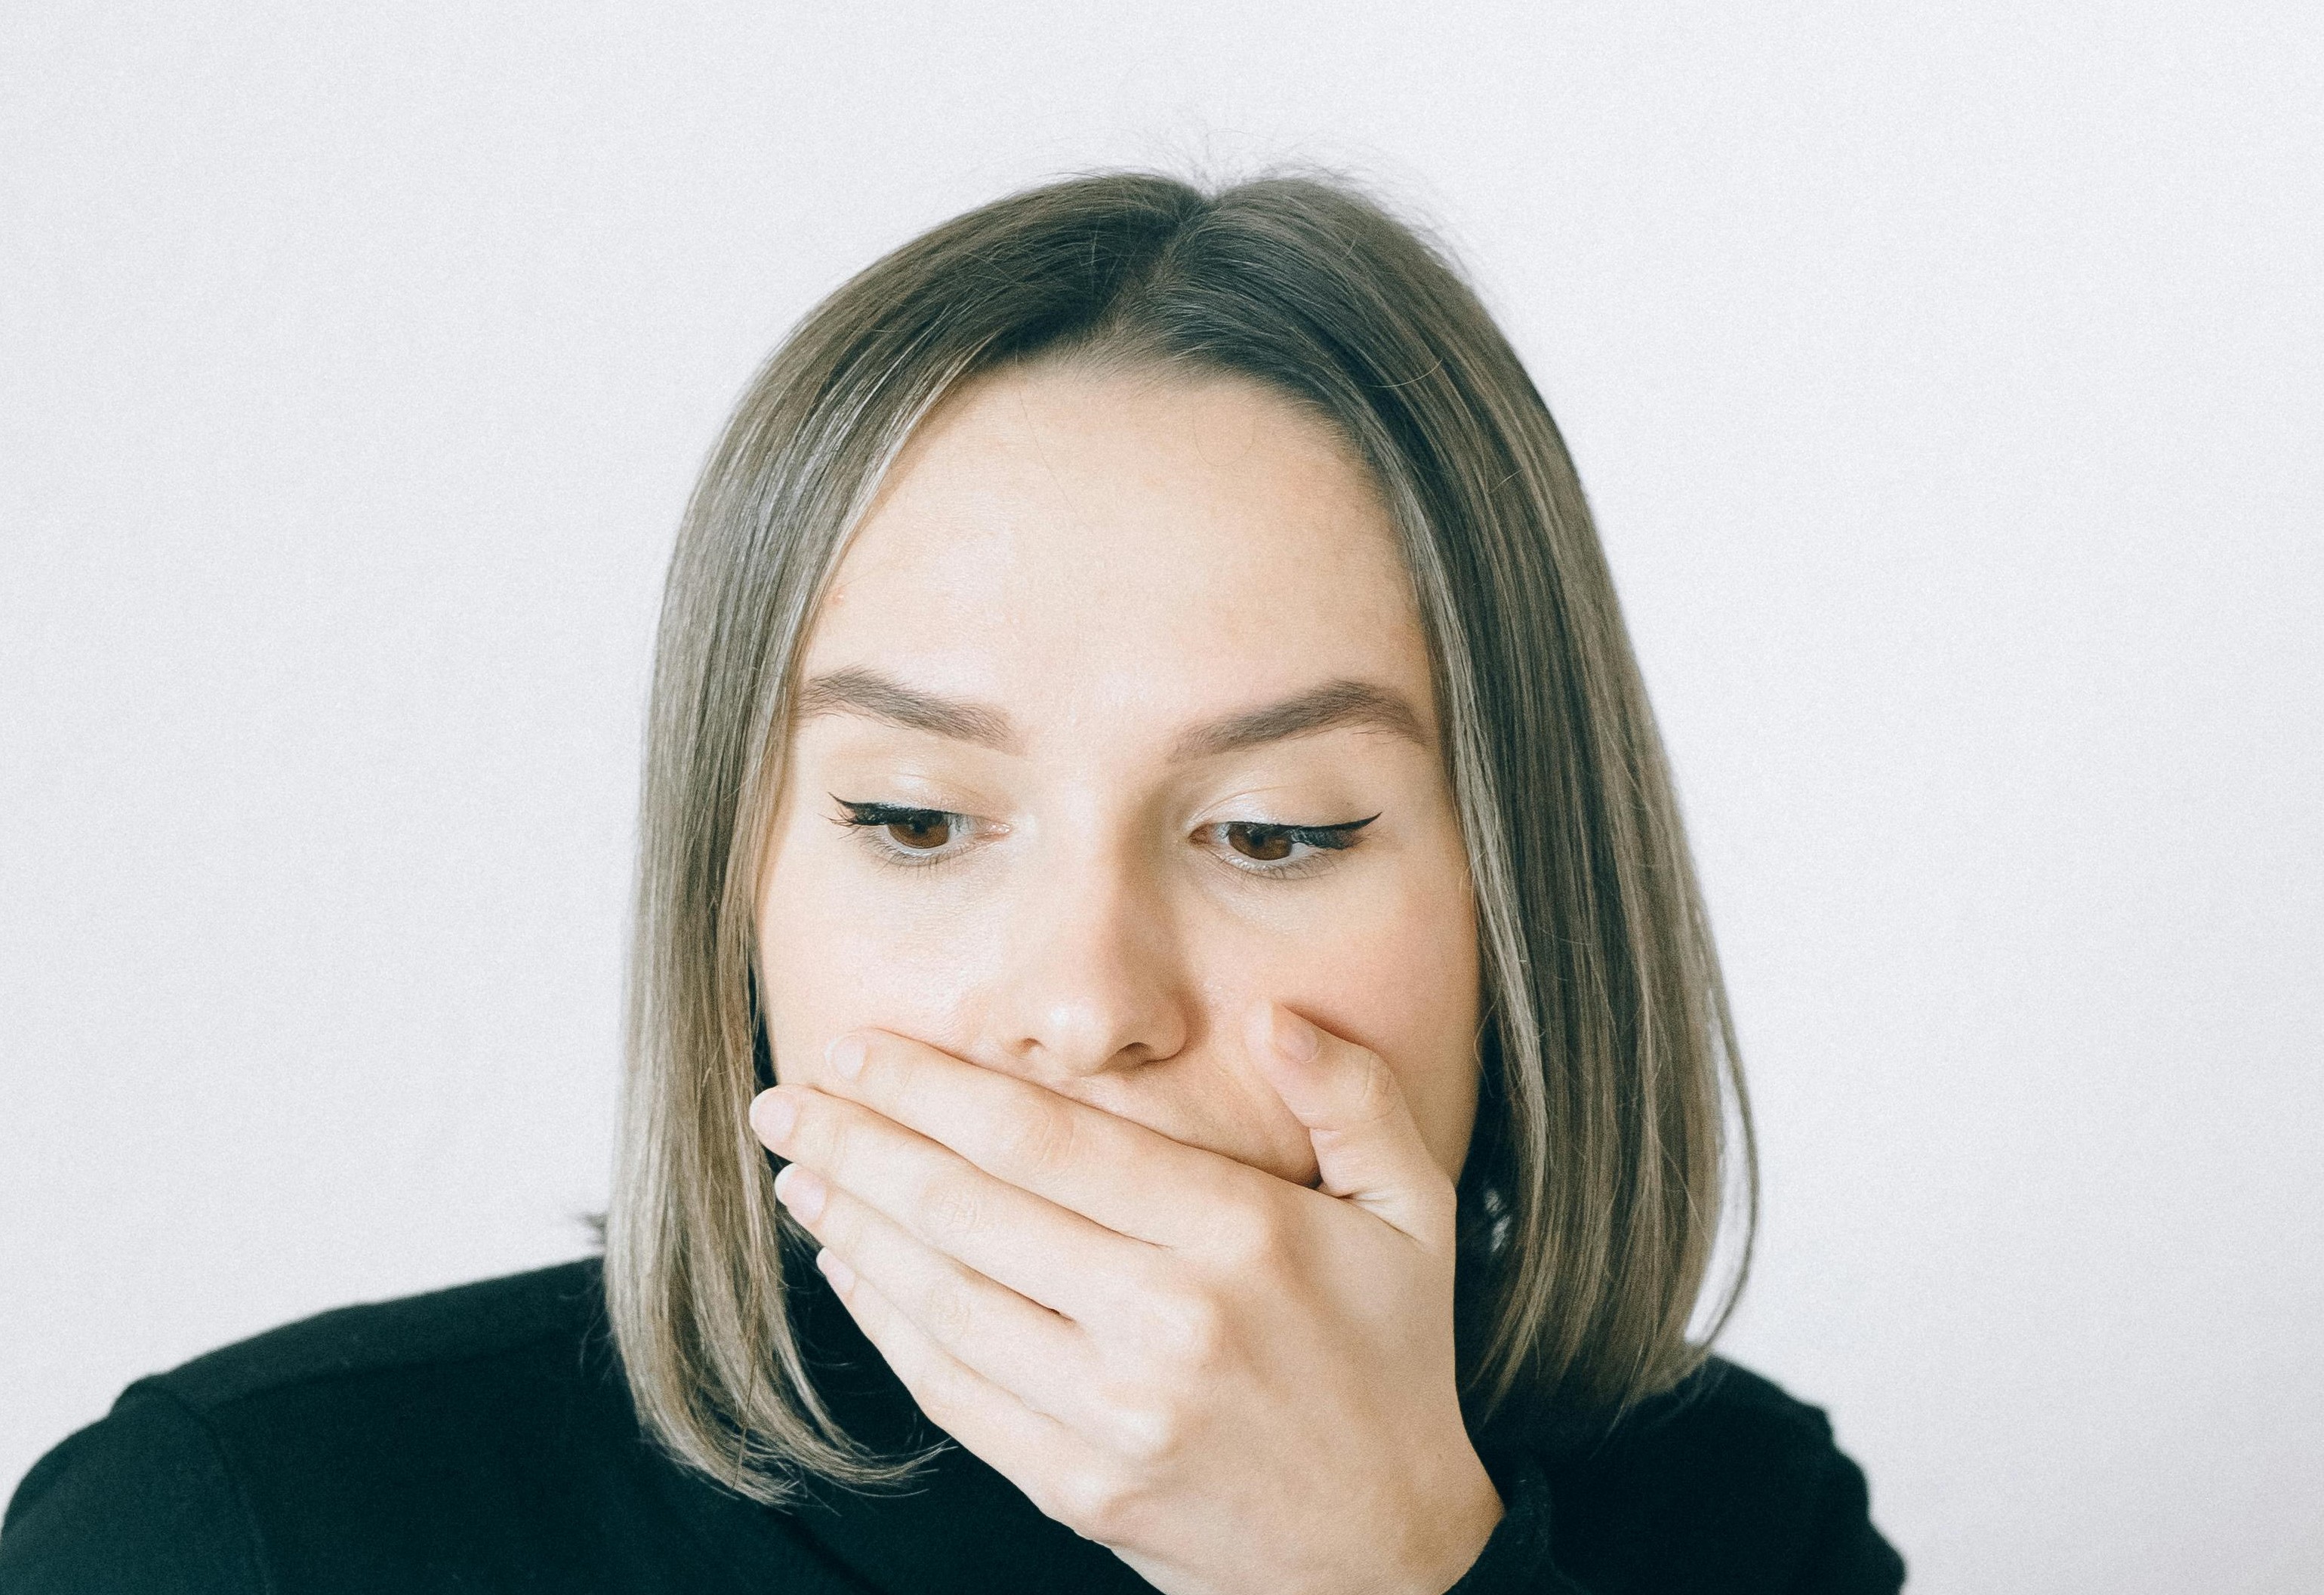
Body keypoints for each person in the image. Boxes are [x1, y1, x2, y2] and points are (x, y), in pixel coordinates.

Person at [0, 170, 1906, 1593]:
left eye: (1274, 834)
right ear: (733, 891)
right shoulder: (244, 1531)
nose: (1082, 1005)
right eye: (914, 821)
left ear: (1526, 895)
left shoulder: (1735, 1522)